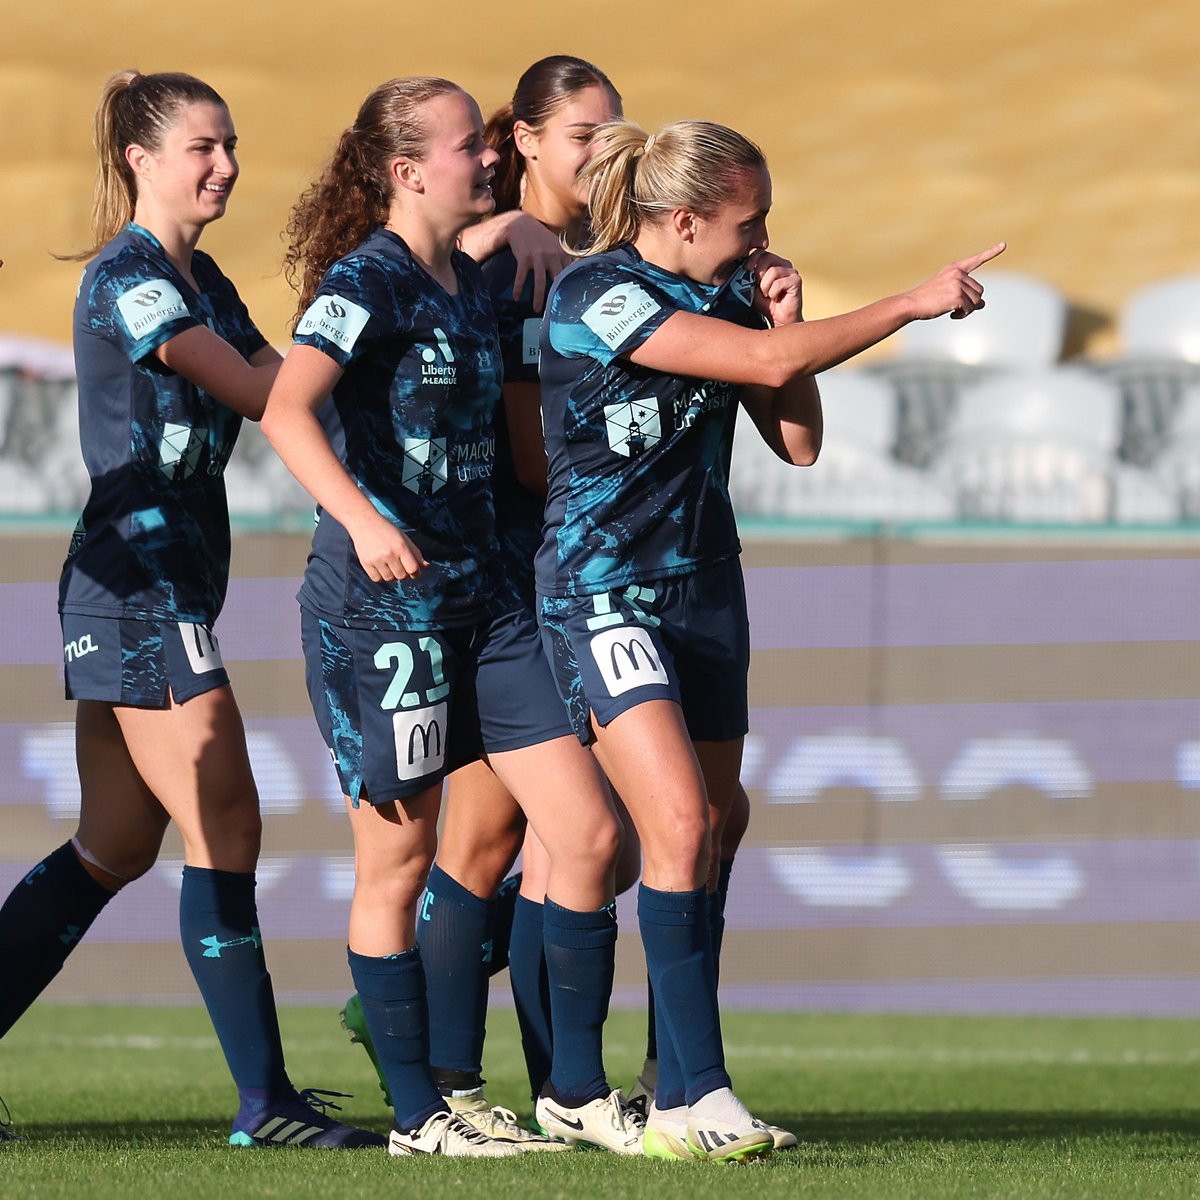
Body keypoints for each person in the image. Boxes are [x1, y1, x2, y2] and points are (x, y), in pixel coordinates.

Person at [536, 115, 1003, 1163]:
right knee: (671, 823)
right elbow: (767, 356)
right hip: (604, 590)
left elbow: (795, 438)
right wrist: (910, 302)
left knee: (716, 821)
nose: (762, 240)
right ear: (686, 218)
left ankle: (664, 1075)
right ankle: (690, 1100)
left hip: (703, 589)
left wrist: (783, 314)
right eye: (750, 224)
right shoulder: (596, 292)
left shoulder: (729, 291)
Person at [0, 70, 383, 1150]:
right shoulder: (131, 278)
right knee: (230, 823)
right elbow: (265, 391)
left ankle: (269, 1104)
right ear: (139, 158)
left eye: (231, 145)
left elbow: (287, 376)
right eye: (203, 147)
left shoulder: (203, 275)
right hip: (137, 591)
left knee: (114, 848)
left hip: (161, 587)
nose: (226, 165)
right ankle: (266, 1107)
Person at [261, 75, 639, 1158]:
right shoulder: (364, 281)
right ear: (406, 169)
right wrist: (364, 520)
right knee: (400, 859)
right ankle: (422, 1115)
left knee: (588, 833)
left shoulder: (479, 278)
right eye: (471, 144)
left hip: (492, 601)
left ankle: (572, 1090)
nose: (487, 158)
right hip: (386, 611)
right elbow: (288, 409)